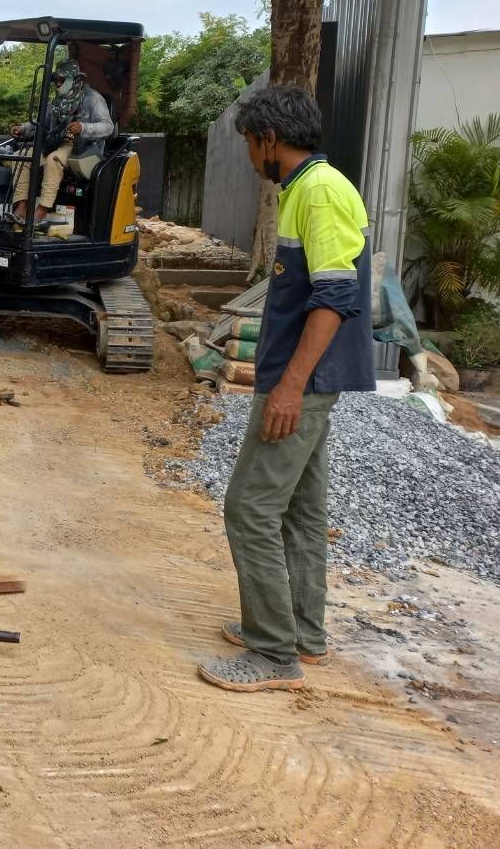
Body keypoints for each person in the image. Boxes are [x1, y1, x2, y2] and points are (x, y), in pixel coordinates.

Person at [199, 84, 374, 693]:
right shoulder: (310, 189)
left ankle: (273, 655)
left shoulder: (319, 194)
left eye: (250, 143)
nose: (250, 156)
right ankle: (302, 632)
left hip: (306, 380)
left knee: (249, 508)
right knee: (300, 510)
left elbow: (334, 295)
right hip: (309, 378)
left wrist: (290, 387)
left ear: (269, 140)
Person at [7, 59, 114, 226]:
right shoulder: (57, 102)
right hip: (56, 142)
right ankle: (22, 205)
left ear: (74, 79)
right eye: (56, 80)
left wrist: (83, 127)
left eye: (62, 80)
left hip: (83, 148)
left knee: (54, 159)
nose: (57, 84)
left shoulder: (93, 98)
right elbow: (42, 123)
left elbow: (108, 127)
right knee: (21, 156)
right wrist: (23, 129)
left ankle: (42, 209)